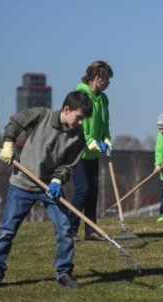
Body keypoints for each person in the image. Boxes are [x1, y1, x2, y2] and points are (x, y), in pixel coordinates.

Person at [0, 91, 93, 289]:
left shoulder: (78, 137)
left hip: (50, 188)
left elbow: (68, 165)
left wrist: (57, 181)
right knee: (7, 230)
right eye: (79, 117)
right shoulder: (42, 115)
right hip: (22, 184)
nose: (80, 123)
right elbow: (16, 122)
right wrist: (9, 143)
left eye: (83, 119)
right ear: (66, 109)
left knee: (65, 229)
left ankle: (64, 273)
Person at [69, 60, 113, 242]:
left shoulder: (103, 99)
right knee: (83, 189)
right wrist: (94, 143)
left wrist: (107, 140)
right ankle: (70, 230)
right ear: (98, 78)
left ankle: (91, 230)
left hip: (92, 153)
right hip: (78, 150)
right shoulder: (81, 96)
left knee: (93, 190)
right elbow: (79, 129)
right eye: (107, 79)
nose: (109, 83)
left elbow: (104, 125)